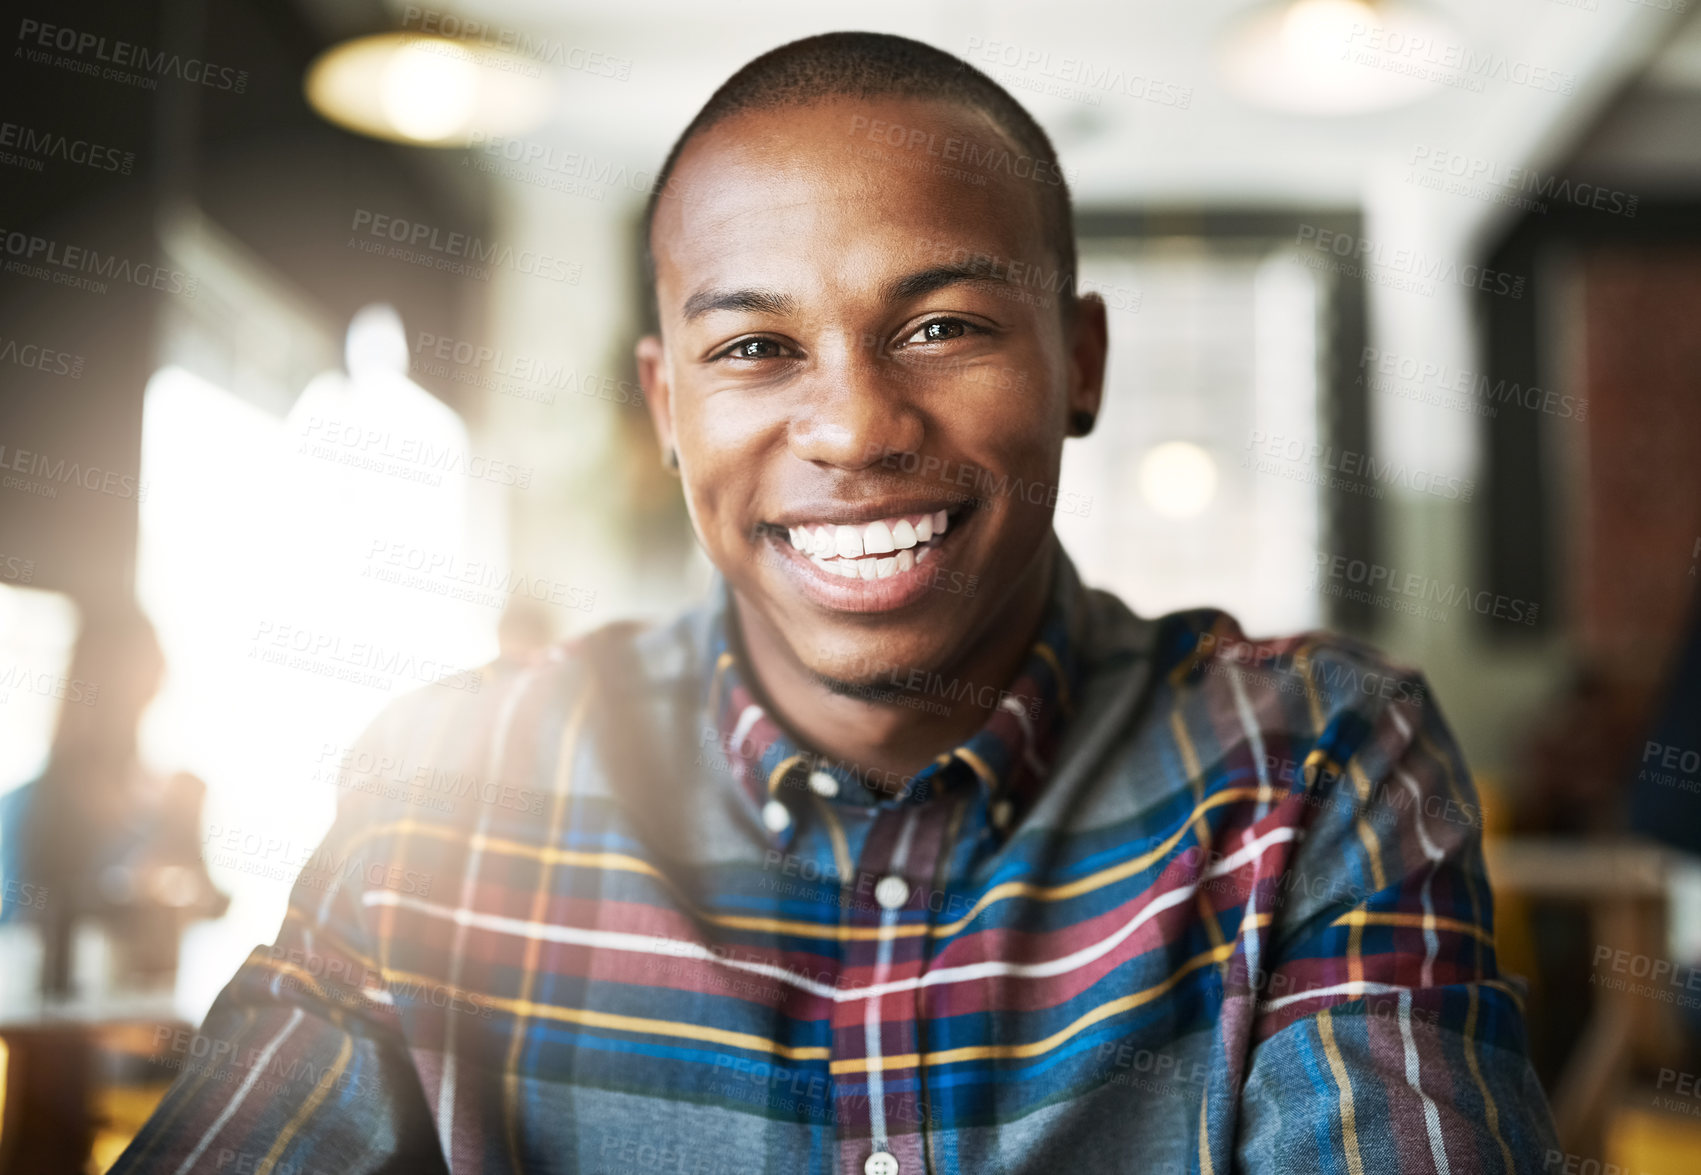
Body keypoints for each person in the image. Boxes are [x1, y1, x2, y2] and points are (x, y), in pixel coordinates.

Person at [112, 31, 1558, 1174]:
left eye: (942, 327)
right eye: (755, 347)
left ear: (1077, 364)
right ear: (665, 409)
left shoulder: (1303, 766)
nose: (857, 428)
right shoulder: (451, 786)